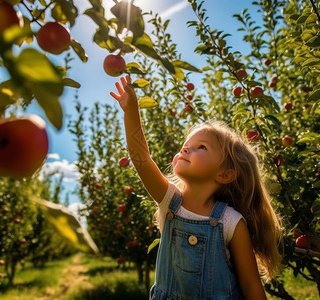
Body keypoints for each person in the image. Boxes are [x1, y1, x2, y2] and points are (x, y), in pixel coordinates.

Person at [110, 75, 283, 300]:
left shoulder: (231, 222)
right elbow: (141, 159)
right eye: (185, 146)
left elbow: (251, 287)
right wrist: (131, 111)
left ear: (225, 174)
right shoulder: (169, 202)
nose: (185, 150)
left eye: (200, 147)